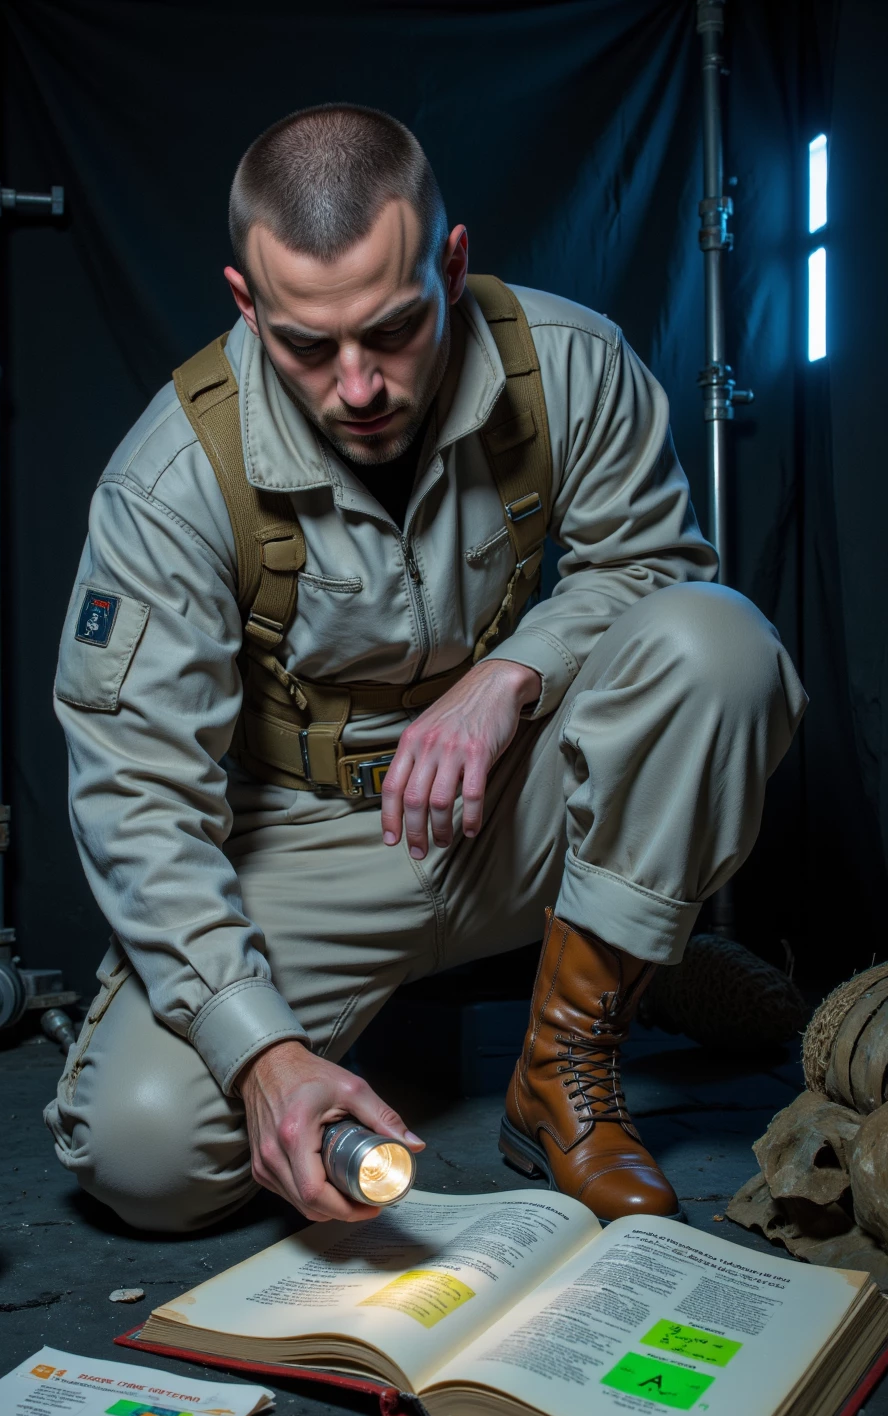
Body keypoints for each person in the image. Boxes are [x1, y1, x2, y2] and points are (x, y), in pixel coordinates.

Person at [45, 104, 806, 1232]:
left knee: (722, 642)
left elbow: (655, 570)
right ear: (246, 304)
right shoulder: (169, 484)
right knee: (143, 1155)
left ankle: (563, 1067)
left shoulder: (571, 368)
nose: (358, 385)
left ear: (453, 264)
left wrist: (514, 677)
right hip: (302, 847)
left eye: (394, 330)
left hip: (510, 810)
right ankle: (482, 990)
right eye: (308, 345)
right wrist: (263, 1058)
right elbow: (140, 801)